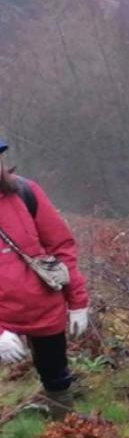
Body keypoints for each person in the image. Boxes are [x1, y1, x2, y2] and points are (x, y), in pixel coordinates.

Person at [0, 138, 90, 419]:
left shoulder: (25, 193)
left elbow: (61, 246)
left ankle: (67, 433)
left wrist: (78, 302)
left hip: (44, 309)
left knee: (56, 375)